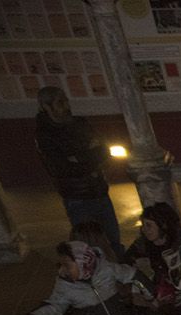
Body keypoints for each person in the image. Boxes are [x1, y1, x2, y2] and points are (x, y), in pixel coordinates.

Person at [35, 87, 121, 255]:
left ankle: (120, 265)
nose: (66, 106)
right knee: (88, 245)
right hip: (77, 195)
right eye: (60, 103)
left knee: (113, 239)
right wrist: (90, 158)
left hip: (99, 189)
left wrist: (78, 157)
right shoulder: (45, 135)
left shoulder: (80, 123)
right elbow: (61, 168)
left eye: (66, 101)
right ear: (46, 106)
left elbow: (103, 150)